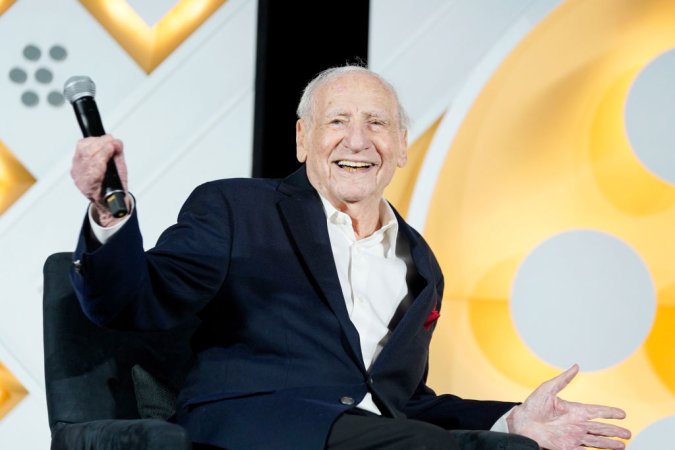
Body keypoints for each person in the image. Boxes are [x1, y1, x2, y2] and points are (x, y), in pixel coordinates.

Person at [70, 65, 631, 449]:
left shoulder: (420, 263)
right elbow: (132, 302)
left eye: (377, 123)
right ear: (302, 139)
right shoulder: (236, 207)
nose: (358, 141)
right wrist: (109, 215)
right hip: (256, 427)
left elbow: (404, 400)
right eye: (338, 121)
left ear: (403, 145)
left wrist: (512, 420)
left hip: (381, 436)